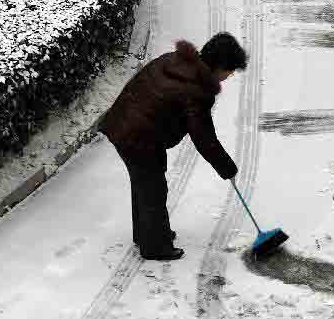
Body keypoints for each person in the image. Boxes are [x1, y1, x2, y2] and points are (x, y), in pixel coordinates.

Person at [98, 32, 248, 261]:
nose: (230, 76)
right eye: (230, 70)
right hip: (137, 135)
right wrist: (227, 167)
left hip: (126, 124)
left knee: (144, 183)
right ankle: (155, 246)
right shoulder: (197, 91)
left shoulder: (176, 60)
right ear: (219, 66)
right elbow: (204, 138)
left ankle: (147, 234)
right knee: (153, 188)